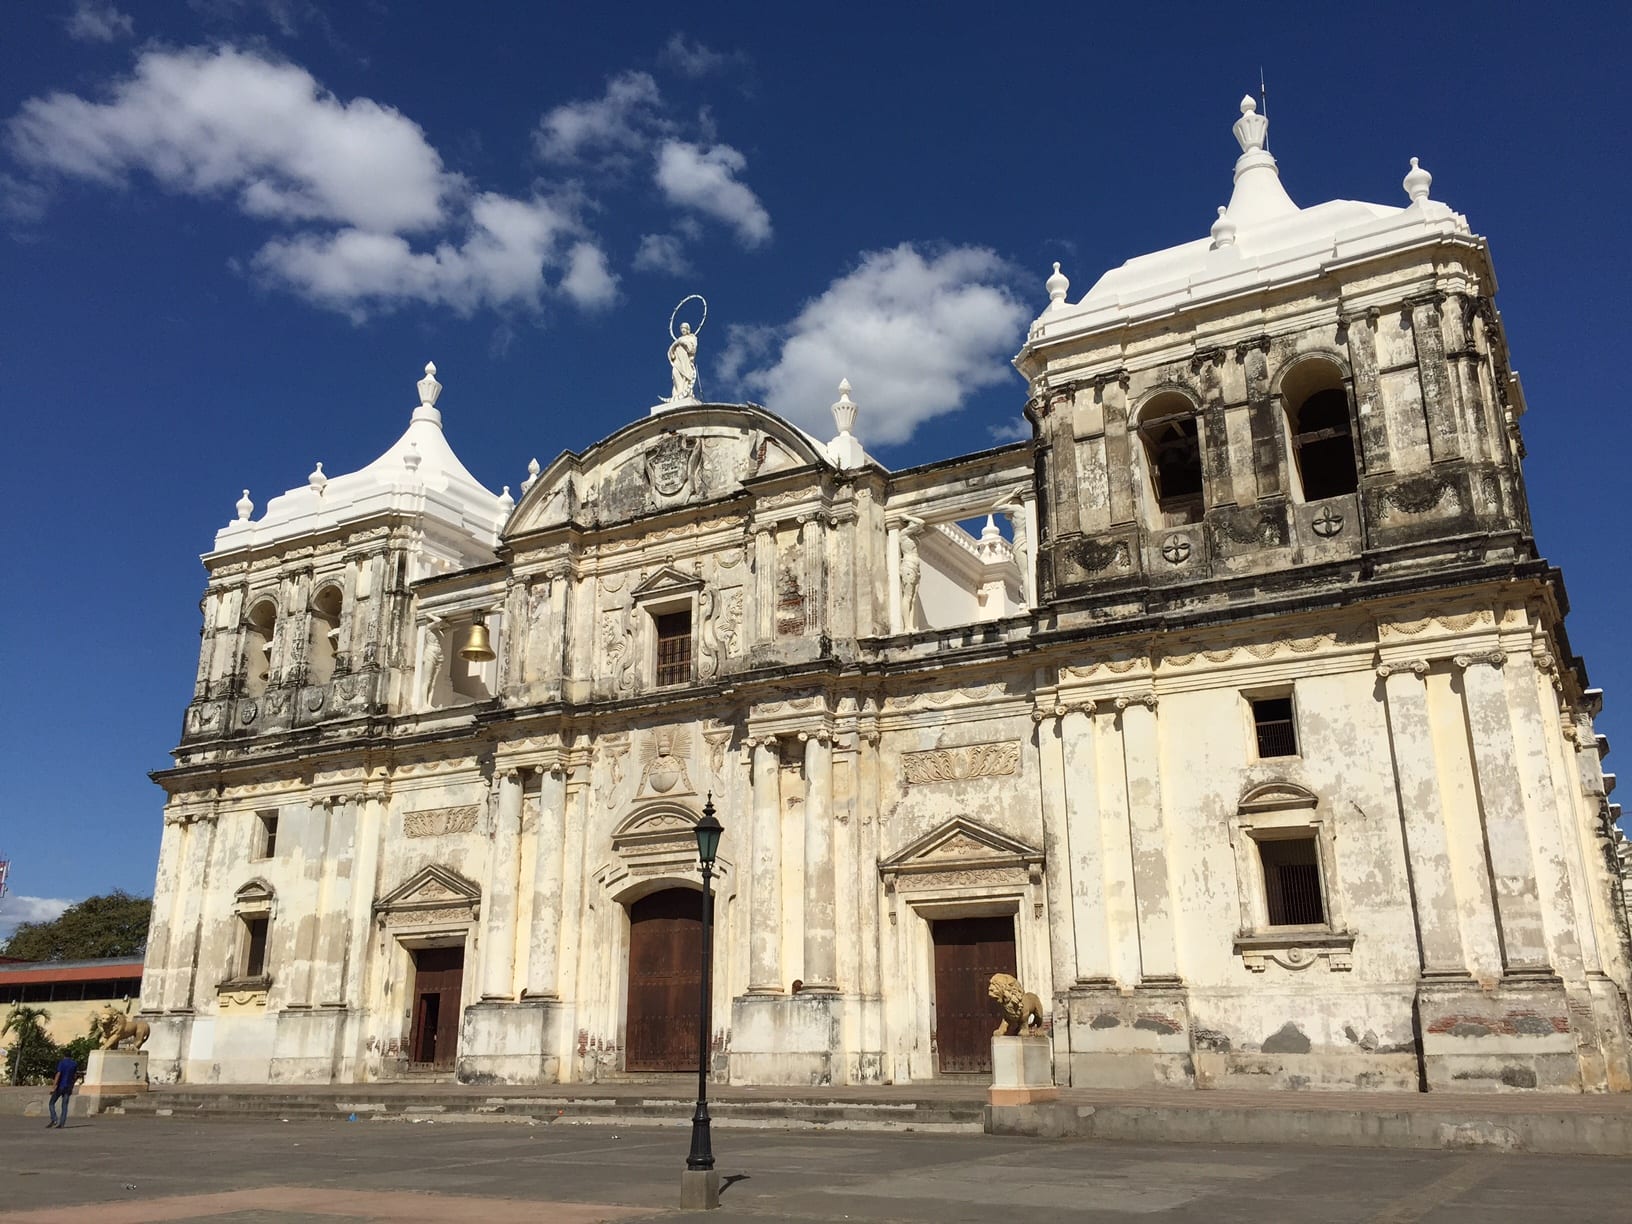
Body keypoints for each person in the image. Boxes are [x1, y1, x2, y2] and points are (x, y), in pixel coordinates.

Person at [47, 1052, 77, 1129]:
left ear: (64, 1056)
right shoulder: (74, 1064)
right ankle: (62, 1123)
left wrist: (53, 1087)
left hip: (61, 1086)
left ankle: (54, 1119)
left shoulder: (62, 1063)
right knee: (64, 1106)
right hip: (68, 1087)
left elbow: (58, 1074)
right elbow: (74, 1076)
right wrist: (72, 1087)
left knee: (51, 1103)